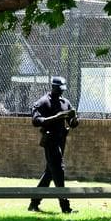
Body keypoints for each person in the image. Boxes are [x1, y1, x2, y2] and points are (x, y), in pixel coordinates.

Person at [28, 77, 79, 213]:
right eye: (58, 89)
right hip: (50, 140)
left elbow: (72, 123)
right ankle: (65, 207)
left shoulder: (65, 102)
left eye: (62, 90)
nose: (60, 92)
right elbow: (36, 120)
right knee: (59, 170)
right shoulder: (43, 102)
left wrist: (74, 119)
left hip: (61, 140)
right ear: (53, 87)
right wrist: (56, 117)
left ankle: (34, 203)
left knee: (50, 173)